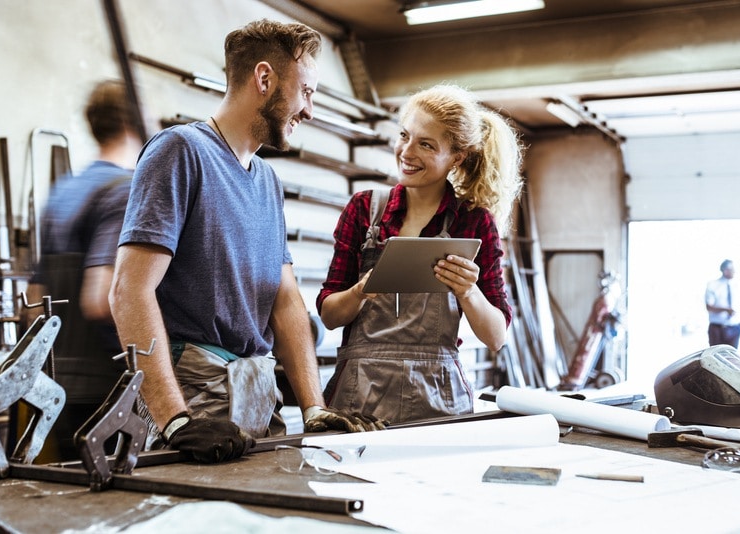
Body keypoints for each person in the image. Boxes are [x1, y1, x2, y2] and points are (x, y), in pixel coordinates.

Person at [109, 19, 383, 465]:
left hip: (258, 390)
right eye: (307, 91)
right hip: (193, 396)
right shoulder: (181, 152)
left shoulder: (268, 182)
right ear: (264, 79)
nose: (309, 111)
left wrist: (314, 407)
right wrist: (175, 420)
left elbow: (286, 301)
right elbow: (129, 291)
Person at [317, 83, 523, 425]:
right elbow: (328, 315)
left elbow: (496, 337)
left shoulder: (473, 222)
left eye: (426, 144)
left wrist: (468, 291)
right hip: (358, 398)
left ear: (456, 157)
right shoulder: (364, 210)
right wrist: (362, 290)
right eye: (404, 135)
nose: (406, 152)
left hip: (438, 399)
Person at [35, 79, 143, 460]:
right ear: (137, 121)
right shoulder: (124, 190)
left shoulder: (64, 190)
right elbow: (100, 300)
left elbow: (34, 301)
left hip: (55, 384)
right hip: (105, 387)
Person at [705, 259, 740, 348]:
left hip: (735, 327)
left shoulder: (738, 285)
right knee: (716, 357)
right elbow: (709, 307)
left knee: (732, 358)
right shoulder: (713, 285)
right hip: (717, 329)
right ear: (725, 270)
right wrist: (725, 310)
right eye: (732, 269)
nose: (734, 271)